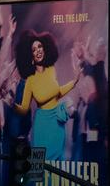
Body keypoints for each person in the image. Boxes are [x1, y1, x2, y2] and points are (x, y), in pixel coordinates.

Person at [13, 29, 80, 158]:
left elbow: (57, 93)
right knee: (39, 164)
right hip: (42, 124)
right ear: (31, 56)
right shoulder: (30, 80)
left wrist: (74, 82)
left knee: (57, 163)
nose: (38, 50)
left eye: (40, 46)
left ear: (45, 48)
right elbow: (24, 108)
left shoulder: (51, 69)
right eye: (34, 50)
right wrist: (14, 105)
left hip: (57, 122)